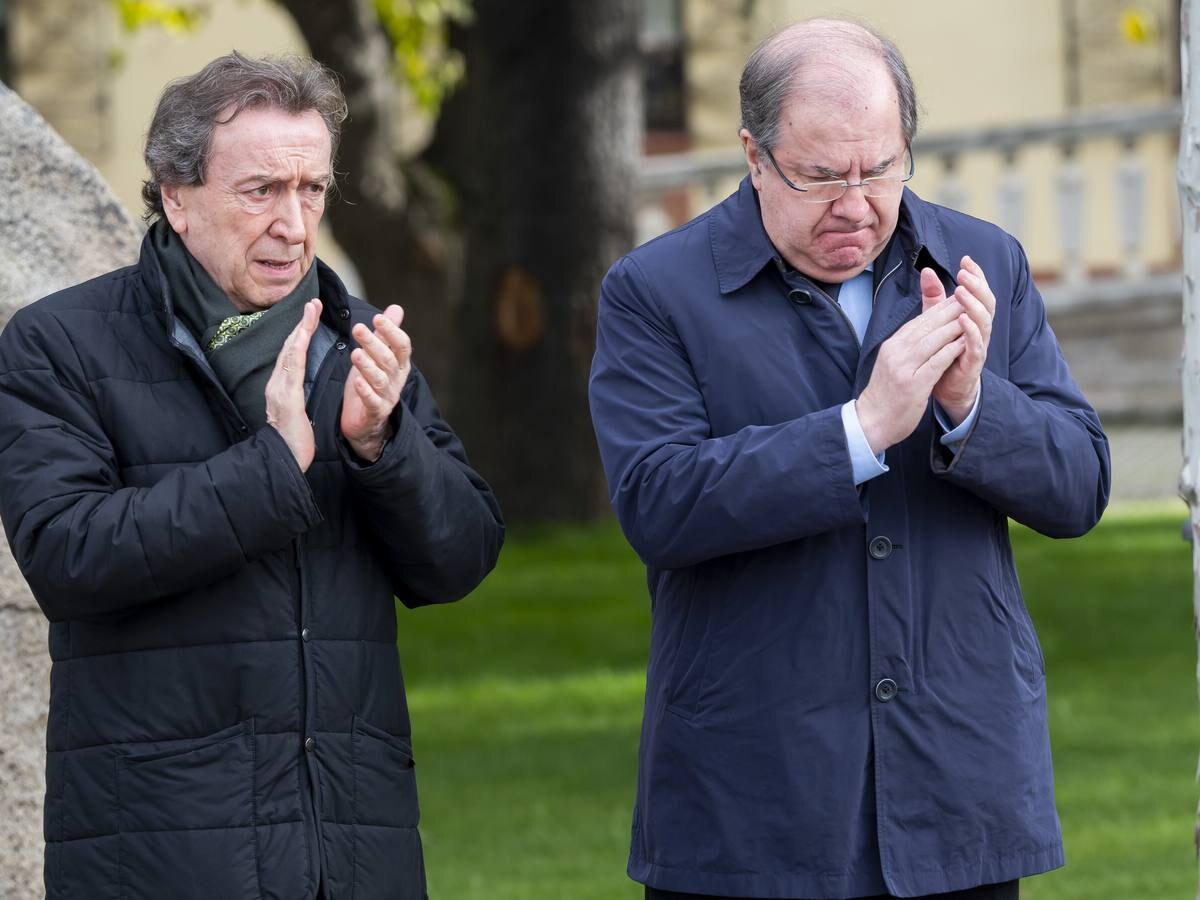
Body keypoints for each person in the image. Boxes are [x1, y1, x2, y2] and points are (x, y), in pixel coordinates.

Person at [589, 19, 1110, 900]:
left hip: (959, 788)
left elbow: (1080, 488)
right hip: (753, 802)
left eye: (881, 170)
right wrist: (860, 432)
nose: (858, 204)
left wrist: (971, 403)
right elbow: (658, 503)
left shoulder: (984, 261)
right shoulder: (655, 291)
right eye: (824, 176)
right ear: (754, 156)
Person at [0, 52, 503, 900]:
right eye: (261, 190)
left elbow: (459, 560)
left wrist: (383, 447)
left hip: (351, 843)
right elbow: (67, 555)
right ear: (176, 196)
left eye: (311, 189)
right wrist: (271, 468)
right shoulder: (60, 345)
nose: (294, 224)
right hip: (162, 848)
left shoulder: (360, 342)